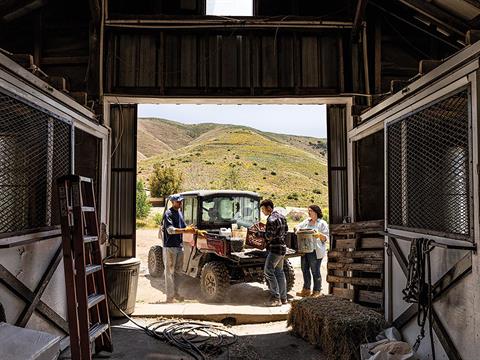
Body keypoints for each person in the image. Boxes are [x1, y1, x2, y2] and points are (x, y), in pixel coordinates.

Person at [162, 194, 197, 303]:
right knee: (169, 272)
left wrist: (189, 228)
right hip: (170, 247)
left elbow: (182, 227)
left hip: (179, 246)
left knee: (178, 272)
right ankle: (169, 297)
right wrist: (185, 230)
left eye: (181, 201)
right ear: (172, 202)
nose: (180, 203)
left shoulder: (179, 213)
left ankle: (176, 294)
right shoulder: (168, 214)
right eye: (178, 202)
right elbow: (170, 230)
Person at [256, 199, 289, 307]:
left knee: (268, 272)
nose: (263, 211)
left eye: (263, 209)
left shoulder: (271, 219)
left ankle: (276, 297)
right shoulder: (282, 217)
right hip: (283, 248)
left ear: (268, 208)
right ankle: (284, 298)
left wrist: (259, 234)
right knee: (279, 272)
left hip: (274, 249)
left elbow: (269, 236)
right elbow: (286, 231)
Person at [295, 205, 329, 298]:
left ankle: (317, 291)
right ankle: (306, 290)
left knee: (315, 271)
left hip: (315, 250)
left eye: (311, 211)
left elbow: (326, 238)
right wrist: (298, 230)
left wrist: (319, 235)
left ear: (316, 212)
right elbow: (297, 227)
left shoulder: (322, 223)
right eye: (308, 211)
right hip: (305, 249)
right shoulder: (306, 222)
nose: (309, 212)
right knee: (304, 269)